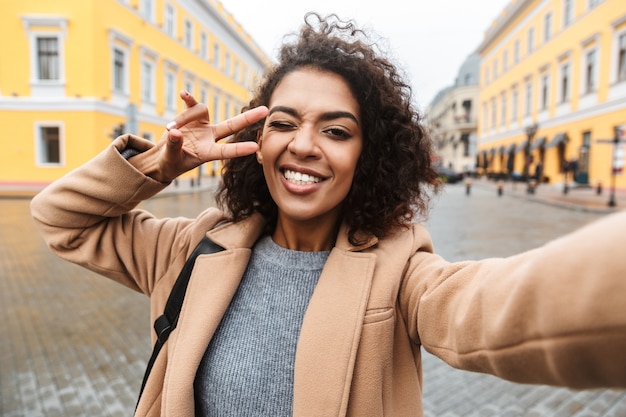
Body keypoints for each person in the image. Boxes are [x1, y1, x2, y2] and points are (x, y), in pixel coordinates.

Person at [30, 13, 626, 417]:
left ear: (368, 155)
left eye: (335, 130)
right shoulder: (192, 247)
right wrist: (162, 161)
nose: (303, 145)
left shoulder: (401, 273)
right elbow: (60, 219)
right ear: (256, 141)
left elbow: (501, 312)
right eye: (283, 123)